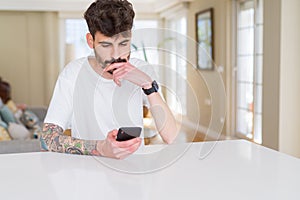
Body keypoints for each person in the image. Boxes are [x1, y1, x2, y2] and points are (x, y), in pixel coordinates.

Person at [41, 0, 178, 159]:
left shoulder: (143, 70)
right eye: (106, 45)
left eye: (123, 43)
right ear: (90, 41)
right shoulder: (73, 73)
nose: (116, 55)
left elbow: (171, 136)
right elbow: (47, 139)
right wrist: (100, 148)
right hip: (87, 172)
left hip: (135, 172)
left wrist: (148, 86)